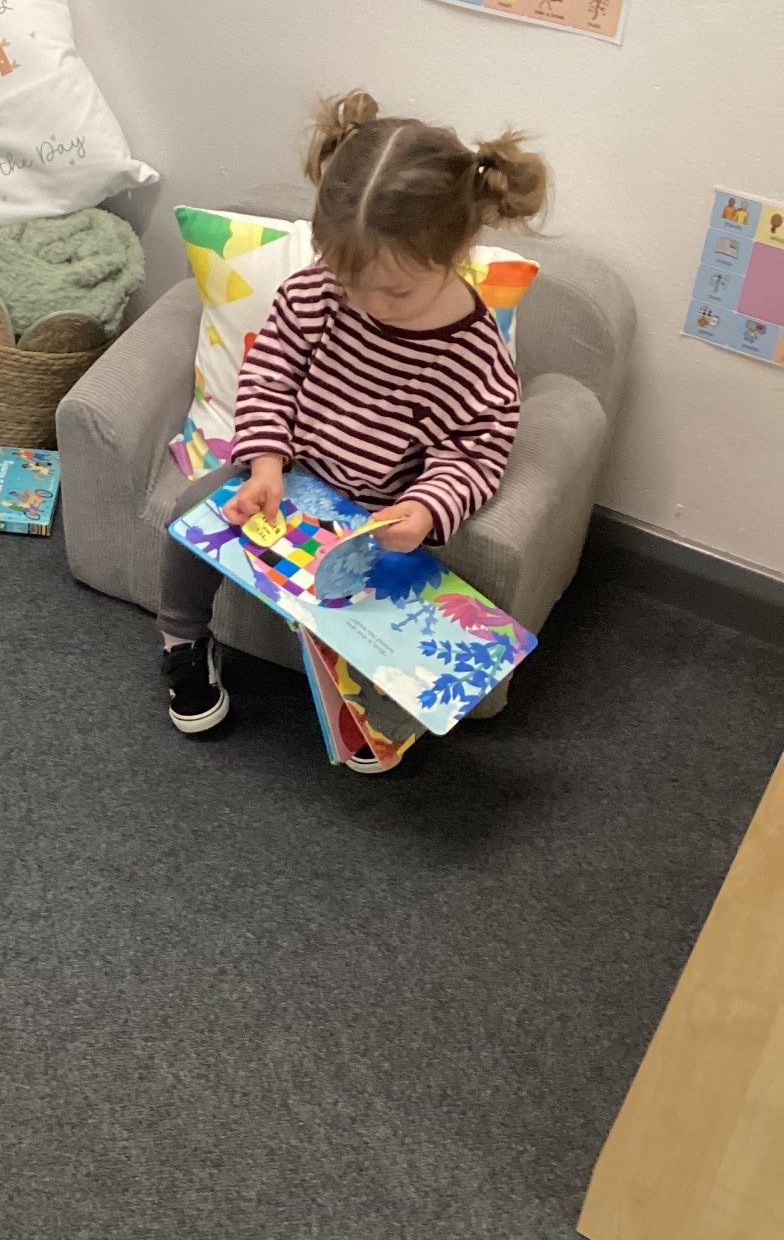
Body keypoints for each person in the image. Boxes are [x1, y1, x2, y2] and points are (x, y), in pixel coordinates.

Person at [158, 89, 549, 760]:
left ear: (456, 250)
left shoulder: (473, 352)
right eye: (349, 279)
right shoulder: (317, 291)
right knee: (194, 509)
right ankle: (183, 640)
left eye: (395, 291)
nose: (369, 304)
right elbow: (270, 371)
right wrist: (266, 463)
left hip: (376, 510)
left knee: (381, 602)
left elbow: (477, 452)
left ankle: (365, 703)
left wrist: (424, 510)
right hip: (293, 474)